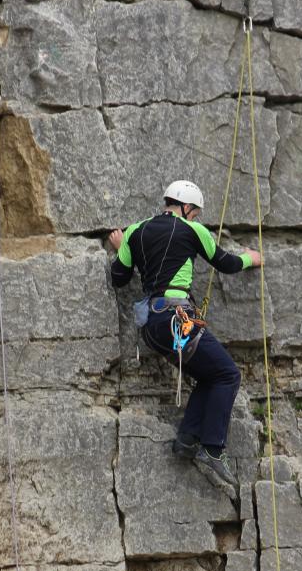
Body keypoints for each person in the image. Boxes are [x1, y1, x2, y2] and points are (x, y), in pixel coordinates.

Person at [108, 179, 262, 493]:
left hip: (152, 328)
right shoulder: (193, 230)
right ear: (187, 207)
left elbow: (119, 278)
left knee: (210, 376)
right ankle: (213, 448)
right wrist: (252, 258)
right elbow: (227, 263)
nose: (196, 217)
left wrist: (123, 248)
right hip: (177, 320)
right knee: (229, 375)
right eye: (195, 212)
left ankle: (188, 439)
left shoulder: (135, 231)